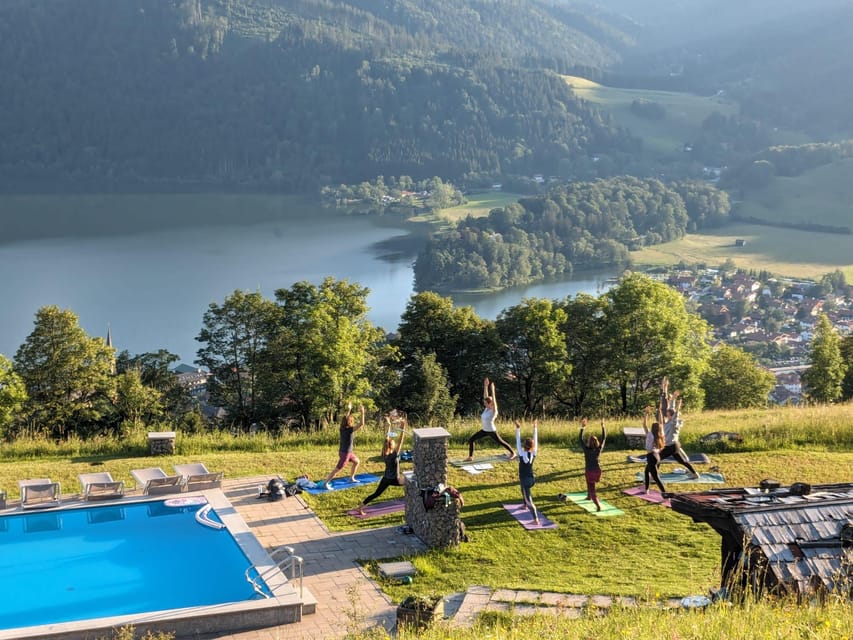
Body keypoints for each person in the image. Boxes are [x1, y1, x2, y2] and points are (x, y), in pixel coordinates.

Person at [357, 413, 406, 514]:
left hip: (386, 479)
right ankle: (410, 499)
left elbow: (386, 440)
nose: (395, 443)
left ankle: (361, 507)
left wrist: (388, 425)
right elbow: (400, 441)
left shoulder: (385, 453)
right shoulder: (394, 455)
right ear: (392, 447)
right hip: (395, 479)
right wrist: (402, 428)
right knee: (410, 483)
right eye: (393, 443)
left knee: (376, 494)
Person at [465, 377, 516, 461]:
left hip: (491, 431)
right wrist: (485, 386)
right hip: (484, 430)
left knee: (501, 442)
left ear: (490, 404)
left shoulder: (493, 411)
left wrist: (492, 390)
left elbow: (494, 401)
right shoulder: (486, 409)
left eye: (485, 403)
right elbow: (485, 396)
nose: (484, 404)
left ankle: (513, 453)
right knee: (471, 440)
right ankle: (471, 457)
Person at [658, 378, 700, 480]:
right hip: (673, 445)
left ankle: (652, 476)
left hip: (671, 446)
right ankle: (695, 474)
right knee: (682, 461)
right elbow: (670, 409)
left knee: (657, 458)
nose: (666, 416)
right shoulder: (669, 421)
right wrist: (674, 398)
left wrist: (678, 407)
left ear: (671, 416)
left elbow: (675, 415)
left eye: (667, 415)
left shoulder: (673, 423)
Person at [322, 402, 366, 490]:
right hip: (345, 454)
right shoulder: (350, 430)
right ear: (349, 422)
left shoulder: (342, 428)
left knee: (356, 461)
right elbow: (361, 424)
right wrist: (362, 412)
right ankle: (326, 483)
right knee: (337, 469)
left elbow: (345, 418)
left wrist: (349, 409)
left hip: (346, 452)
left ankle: (351, 478)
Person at [514, 418, 540, 525]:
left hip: (525, 479)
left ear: (524, 446)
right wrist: (535, 428)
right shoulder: (534, 452)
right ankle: (524, 504)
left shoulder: (521, 453)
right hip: (530, 478)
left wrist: (518, 428)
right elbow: (536, 440)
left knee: (529, 500)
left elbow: (517, 440)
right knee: (523, 490)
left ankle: (536, 519)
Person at [579, 417, 606, 511]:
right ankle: (588, 496)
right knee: (589, 482)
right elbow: (604, 437)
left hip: (590, 472)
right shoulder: (599, 449)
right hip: (598, 472)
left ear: (589, 443)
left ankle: (598, 505)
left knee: (592, 489)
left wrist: (583, 427)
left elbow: (580, 439)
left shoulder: (586, 450)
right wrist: (603, 426)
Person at [642, 405, 666, 494]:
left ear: (652, 428)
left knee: (656, 477)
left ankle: (665, 493)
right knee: (646, 471)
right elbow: (661, 424)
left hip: (651, 456)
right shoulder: (660, 434)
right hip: (657, 456)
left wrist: (646, 413)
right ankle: (646, 490)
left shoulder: (650, 435)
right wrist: (660, 412)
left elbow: (644, 424)